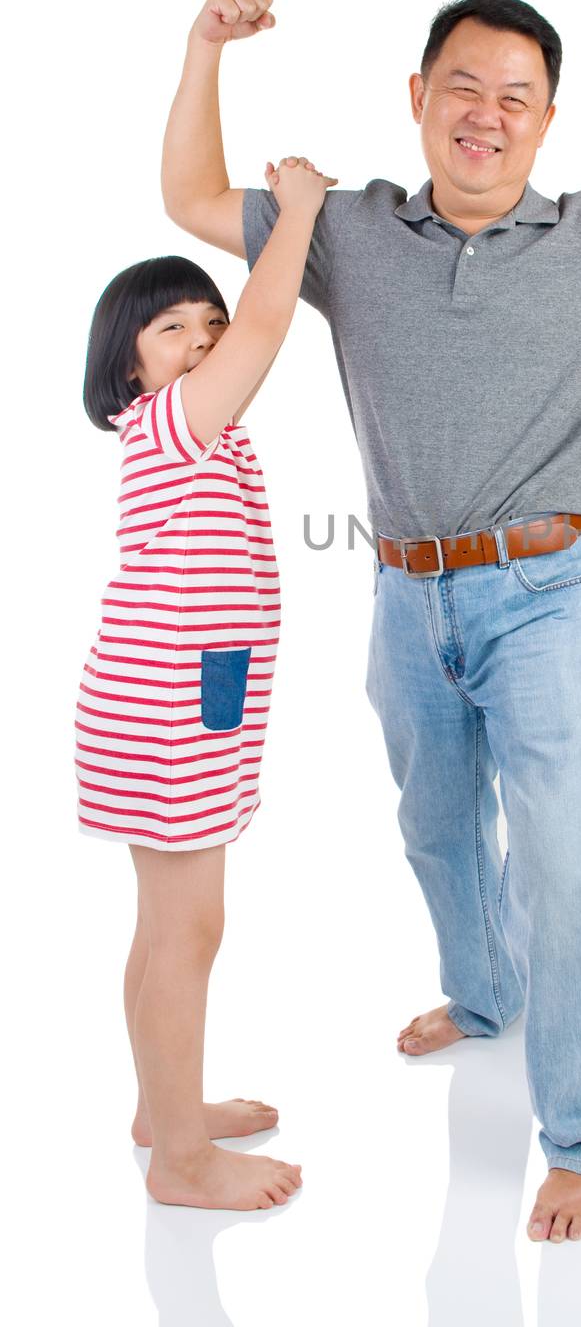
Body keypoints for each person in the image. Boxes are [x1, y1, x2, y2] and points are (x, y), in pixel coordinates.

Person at [160, 0, 581, 1242]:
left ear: (547, 122)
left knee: (560, 857)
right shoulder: (342, 231)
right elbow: (187, 195)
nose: (486, 115)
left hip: (543, 591)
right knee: (438, 829)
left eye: (517, 98)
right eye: (463, 87)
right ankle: (485, 995)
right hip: (402, 589)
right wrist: (202, 49)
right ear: (417, 99)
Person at [78, 155, 334, 1209]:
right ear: (132, 367)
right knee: (189, 929)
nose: (204, 338)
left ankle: (160, 1107)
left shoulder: (199, 434)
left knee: (168, 925)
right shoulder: (177, 420)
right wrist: (301, 216)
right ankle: (182, 1158)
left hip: (184, 697)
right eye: (171, 328)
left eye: (206, 320)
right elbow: (270, 329)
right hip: (167, 705)